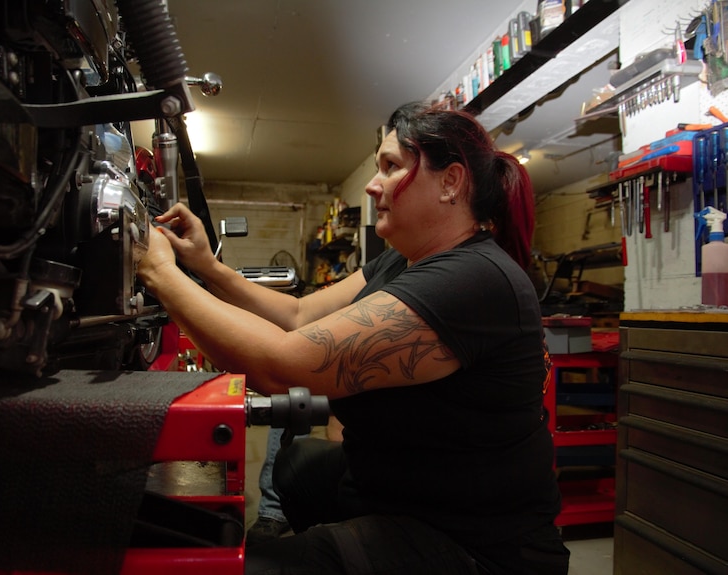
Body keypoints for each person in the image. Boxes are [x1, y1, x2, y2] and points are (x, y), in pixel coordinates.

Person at [137, 101, 569, 574]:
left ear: (450, 182)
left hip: (473, 541)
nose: (372, 183)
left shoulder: (474, 279)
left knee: (251, 567)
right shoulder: (401, 259)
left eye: (391, 167)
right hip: (404, 488)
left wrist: (158, 270)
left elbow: (282, 366)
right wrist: (206, 267)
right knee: (298, 465)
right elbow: (299, 314)